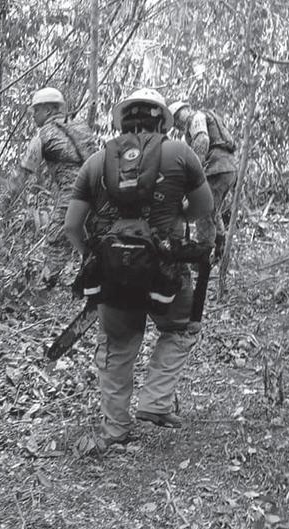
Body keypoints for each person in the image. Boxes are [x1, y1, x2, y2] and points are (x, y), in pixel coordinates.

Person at [64, 88, 214, 446]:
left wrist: (92, 256)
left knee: (117, 347)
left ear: (122, 122)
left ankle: (116, 428)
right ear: (162, 122)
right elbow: (204, 207)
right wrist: (177, 215)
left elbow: (71, 226)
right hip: (167, 271)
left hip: (114, 274)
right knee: (181, 329)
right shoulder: (181, 154)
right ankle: (155, 402)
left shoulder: (97, 161)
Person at [15, 87, 96, 289]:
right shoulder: (82, 127)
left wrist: (7, 199)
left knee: (56, 240)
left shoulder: (42, 136)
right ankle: (94, 277)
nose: (33, 115)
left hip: (74, 194)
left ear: (49, 110)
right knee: (95, 236)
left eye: (36, 110)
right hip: (101, 191)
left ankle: (45, 286)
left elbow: (24, 172)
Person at [168, 101, 238, 261]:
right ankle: (219, 252)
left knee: (203, 210)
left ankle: (204, 256)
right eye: (175, 121)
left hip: (217, 168)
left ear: (187, 109)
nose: (178, 122)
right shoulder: (197, 122)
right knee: (213, 209)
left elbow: (202, 140)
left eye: (178, 116)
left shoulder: (196, 117)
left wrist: (194, 171)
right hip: (227, 168)